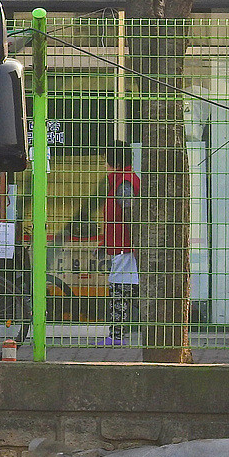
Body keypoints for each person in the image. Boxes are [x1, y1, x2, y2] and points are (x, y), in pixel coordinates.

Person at [98, 142, 140, 346]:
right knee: (128, 290)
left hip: (125, 247)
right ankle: (117, 335)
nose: (104, 164)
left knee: (119, 290)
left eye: (106, 159)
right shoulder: (123, 181)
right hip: (124, 246)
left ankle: (116, 336)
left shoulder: (123, 183)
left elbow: (130, 214)